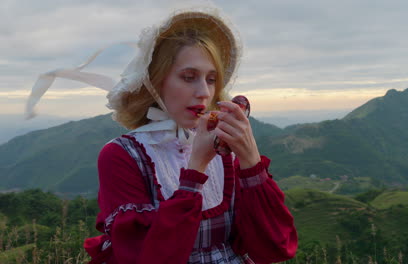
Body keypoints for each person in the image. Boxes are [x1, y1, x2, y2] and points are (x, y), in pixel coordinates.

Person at [27, 7, 297, 264]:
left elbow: (274, 246)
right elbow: (146, 255)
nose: (204, 91)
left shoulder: (224, 152)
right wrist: (195, 171)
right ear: (157, 81)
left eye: (211, 79)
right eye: (189, 77)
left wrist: (250, 160)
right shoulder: (124, 155)